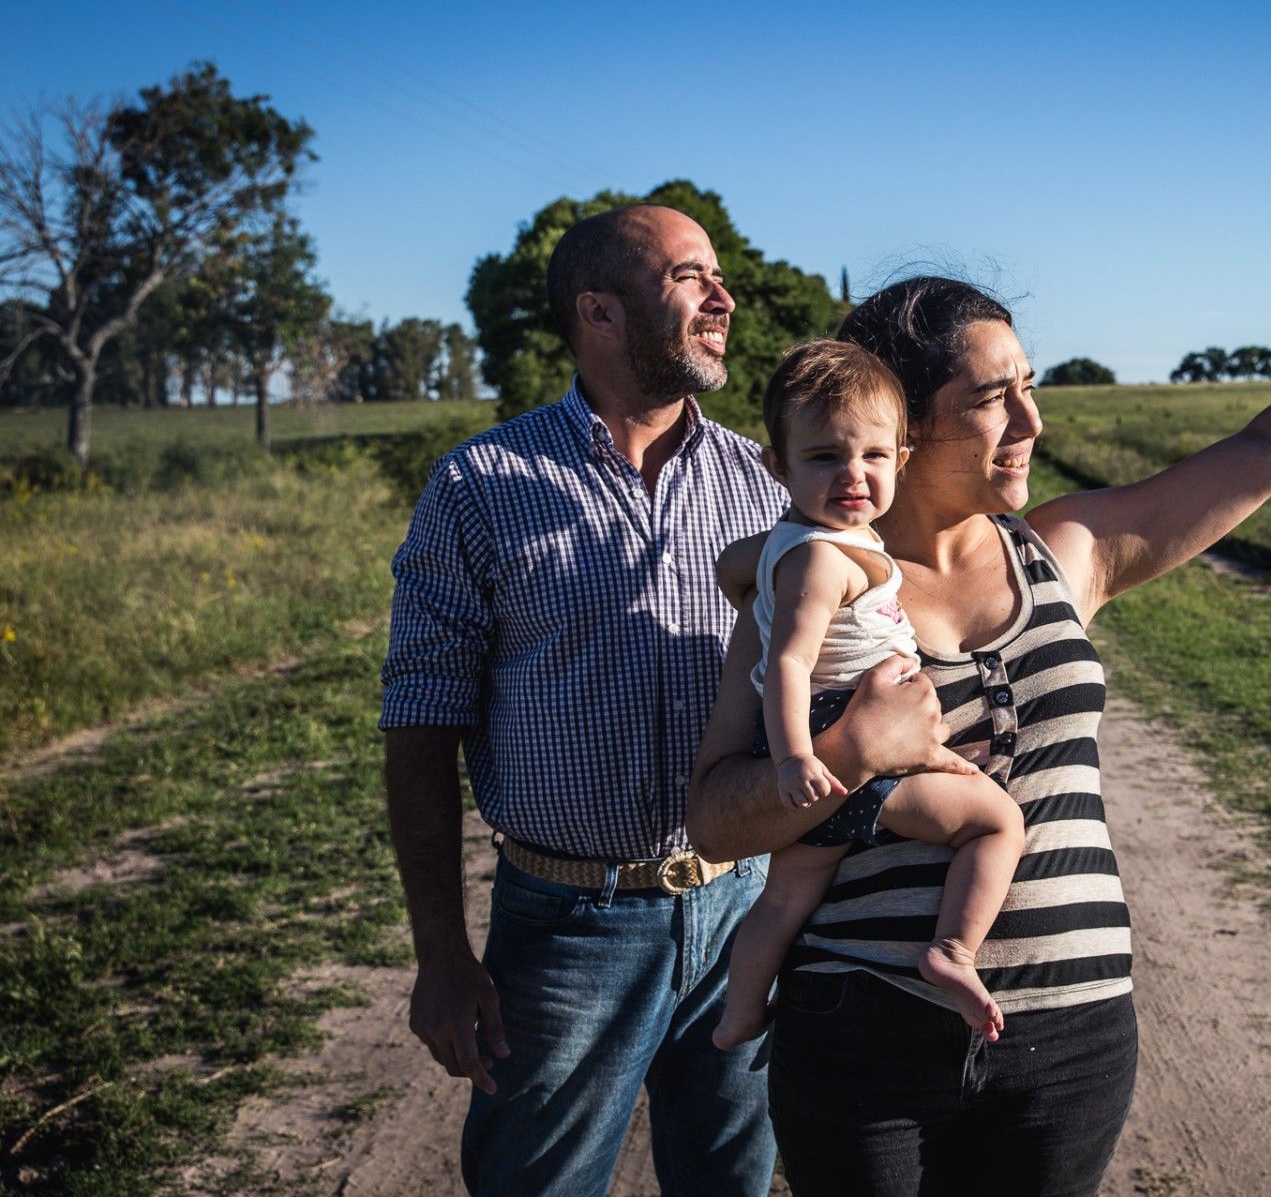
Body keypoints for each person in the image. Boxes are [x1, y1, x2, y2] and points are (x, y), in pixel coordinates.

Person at [686, 205, 1271, 1196]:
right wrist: (851, 751)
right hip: (862, 1032)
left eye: (1030, 389)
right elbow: (715, 820)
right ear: (906, 417)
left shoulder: (1066, 552)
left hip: (1075, 1034)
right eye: (995, 398)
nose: (1033, 423)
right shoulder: (814, 587)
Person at [377, 204, 968, 1197]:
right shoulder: (480, 485)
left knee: (733, 1181)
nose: (725, 297)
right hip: (568, 926)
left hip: (747, 907)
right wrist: (439, 952)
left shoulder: (770, 479)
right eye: (691, 277)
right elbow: (419, 726)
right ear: (599, 311)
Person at [710, 340, 1027, 1052]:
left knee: (786, 896)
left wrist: (757, 581)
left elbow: (733, 569)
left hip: (828, 740)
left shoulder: (800, 545)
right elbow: (790, 662)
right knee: (994, 822)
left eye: (874, 457)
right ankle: (952, 950)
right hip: (842, 737)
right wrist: (796, 760)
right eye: (824, 457)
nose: (853, 474)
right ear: (779, 467)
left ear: (900, 461)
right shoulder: (824, 558)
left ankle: (737, 1015)